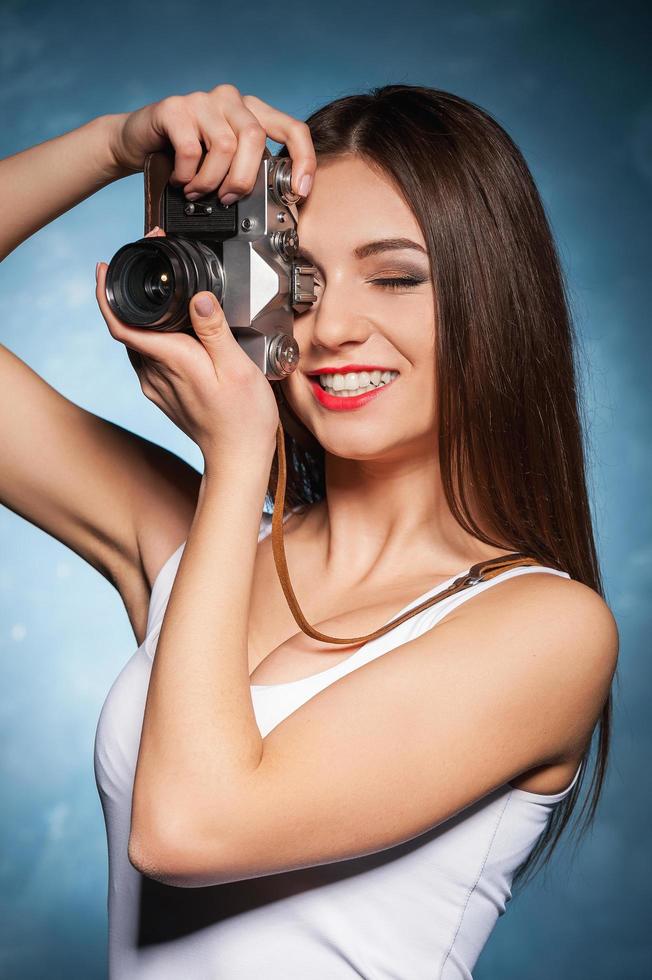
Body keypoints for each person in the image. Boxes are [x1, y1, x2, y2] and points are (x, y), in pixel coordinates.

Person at [1, 83, 618, 978]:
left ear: (495, 300)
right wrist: (113, 144)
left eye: (397, 277)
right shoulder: (203, 542)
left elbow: (185, 826)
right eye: (303, 280)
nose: (331, 327)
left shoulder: (547, 629)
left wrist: (237, 461)